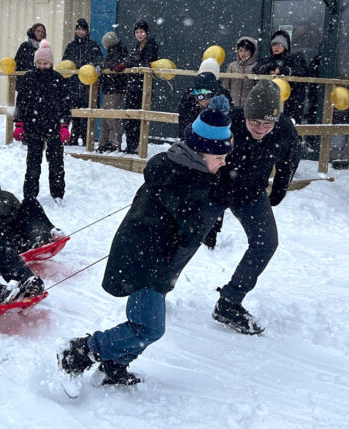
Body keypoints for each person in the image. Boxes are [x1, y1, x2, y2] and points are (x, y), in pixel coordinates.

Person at [58, 95, 233, 386]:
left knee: (145, 325)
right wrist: (213, 199)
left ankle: (115, 364)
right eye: (219, 158)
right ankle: (80, 351)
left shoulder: (187, 172)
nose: (224, 163)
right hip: (146, 261)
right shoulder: (186, 183)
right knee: (148, 327)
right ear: (201, 153)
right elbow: (190, 230)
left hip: (154, 257)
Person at [205, 80, 300, 334]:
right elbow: (197, 147)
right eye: (254, 122)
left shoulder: (284, 129)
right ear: (245, 115)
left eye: (267, 123)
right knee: (186, 237)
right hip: (216, 188)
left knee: (266, 242)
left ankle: (229, 302)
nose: (260, 128)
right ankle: (156, 289)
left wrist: (277, 193)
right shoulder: (229, 121)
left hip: (250, 192)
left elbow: (289, 162)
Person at [13, 40, 71, 202]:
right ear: (35, 62)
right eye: (39, 63)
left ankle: (57, 193)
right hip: (33, 126)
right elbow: (21, 102)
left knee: (56, 162)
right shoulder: (29, 78)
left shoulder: (58, 79)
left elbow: (65, 104)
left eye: (45, 63)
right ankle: (30, 194)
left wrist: (64, 125)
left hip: (54, 126)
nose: (42, 66)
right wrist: (19, 123)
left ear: (51, 63)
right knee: (33, 162)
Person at [0, 158, 63, 252]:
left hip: (16, 231)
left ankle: (46, 234)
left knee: (30, 201)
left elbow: (22, 214)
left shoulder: (6, 196)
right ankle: (18, 247)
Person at [62, 18, 104, 146]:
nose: (81, 32)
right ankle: (73, 137)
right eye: (79, 29)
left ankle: (87, 139)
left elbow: (99, 61)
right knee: (74, 112)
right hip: (73, 85)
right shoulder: (71, 46)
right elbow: (65, 63)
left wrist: (93, 67)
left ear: (87, 31)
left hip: (88, 86)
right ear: (76, 31)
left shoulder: (93, 46)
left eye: (83, 29)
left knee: (87, 113)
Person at [255, 29, 308, 124]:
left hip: (291, 100)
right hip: (269, 99)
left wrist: (284, 71)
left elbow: (302, 72)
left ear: (285, 46)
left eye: (279, 45)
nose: (276, 47)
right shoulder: (267, 60)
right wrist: (267, 69)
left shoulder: (293, 59)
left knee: (289, 124)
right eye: (274, 45)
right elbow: (256, 69)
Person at [123, 19, 159, 155]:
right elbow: (131, 60)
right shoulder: (136, 45)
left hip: (143, 87)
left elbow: (145, 63)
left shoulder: (150, 45)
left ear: (146, 32)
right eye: (137, 32)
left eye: (141, 32)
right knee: (129, 117)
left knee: (138, 118)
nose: (139, 34)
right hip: (132, 85)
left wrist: (129, 64)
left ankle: (137, 145)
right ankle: (130, 144)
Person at [97, 31, 128, 153]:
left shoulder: (117, 53)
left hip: (114, 89)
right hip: (110, 88)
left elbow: (110, 64)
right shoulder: (116, 52)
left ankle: (113, 142)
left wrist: (101, 67)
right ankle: (105, 142)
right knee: (107, 117)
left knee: (112, 117)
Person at [176, 71, 227, 138]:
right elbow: (184, 129)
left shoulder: (223, 102)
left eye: (208, 96)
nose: (203, 102)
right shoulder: (187, 103)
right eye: (199, 98)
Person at [223, 36, 258, 109]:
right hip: (232, 105)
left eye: (246, 50)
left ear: (252, 52)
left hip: (249, 107)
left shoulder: (256, 67)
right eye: (240, 50)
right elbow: (225, 86)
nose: (243, 53)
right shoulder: (232, 66)